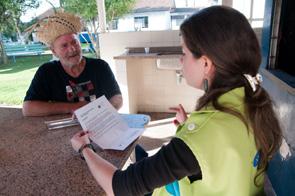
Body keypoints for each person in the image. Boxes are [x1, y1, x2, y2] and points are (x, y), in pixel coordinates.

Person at [70, 6, 282, 196]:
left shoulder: (203, 133)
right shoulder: (252, 103)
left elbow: (120, 187)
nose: (181, 60)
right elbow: (224, 152)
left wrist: (84, 149)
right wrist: (190, 128)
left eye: (184, 53)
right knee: (142, 156)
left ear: (206, 63)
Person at [22, 11, 122, 117]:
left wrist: (101, 112)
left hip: (98, 125)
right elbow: (28, 108)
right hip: (62, 129)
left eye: (74, 42)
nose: (72, 49)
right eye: (64, 45)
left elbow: (117, 98)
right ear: (54, 51)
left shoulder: (100, 66)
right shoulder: (47, 72)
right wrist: (72, 107)